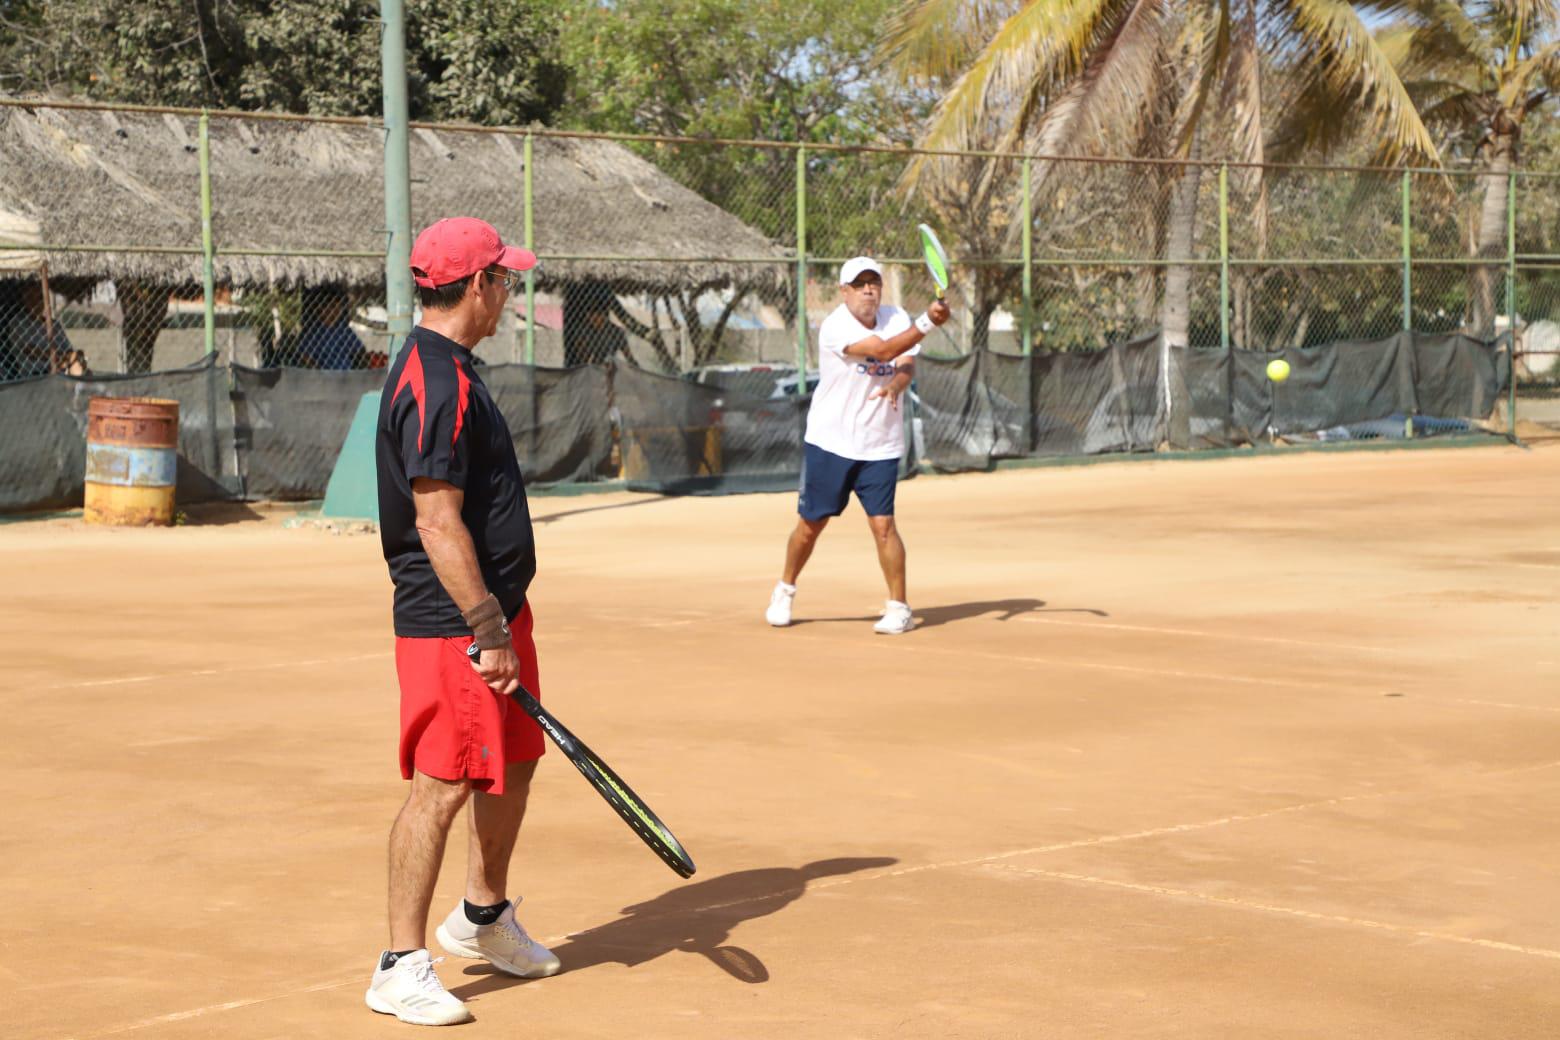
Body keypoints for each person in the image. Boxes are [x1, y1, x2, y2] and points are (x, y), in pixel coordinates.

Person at [368, 217, 558, 1026]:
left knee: (514, 762)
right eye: (504, 280)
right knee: (440, 787)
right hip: (452, 622)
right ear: (477, 285)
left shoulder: (454, 368)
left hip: (496, 615)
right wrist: (483, 626)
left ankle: (481, 919)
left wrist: (503, 620)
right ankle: (399, 963)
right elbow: (437, 521)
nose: (510, 294)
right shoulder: (432, 380)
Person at [765, 256, 951, 635]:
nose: (869, 289)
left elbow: (903, 363)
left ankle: (899, 608)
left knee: (884, 526)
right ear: (844, 291)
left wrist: (898, 384)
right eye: (860, 283)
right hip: (830, 442)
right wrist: (928, 322)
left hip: (880, 445)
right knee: (810, 526)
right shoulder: (835, 326)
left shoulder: (896, 316)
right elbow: (881, 352)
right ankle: (785, 588)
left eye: (874, 282)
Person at [297, 287, 367, 369]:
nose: (335, 312)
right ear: (321, 310)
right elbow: (304, 355)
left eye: (338, 308)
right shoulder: (314, 332)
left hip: (347, 374)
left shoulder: (343, 330)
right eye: (331, 308)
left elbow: (360, 349)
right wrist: (318, 371)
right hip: (325, 376)